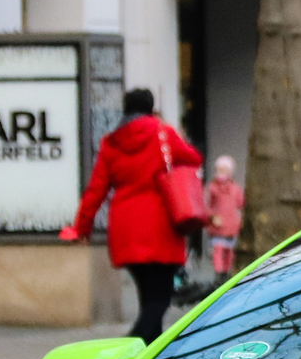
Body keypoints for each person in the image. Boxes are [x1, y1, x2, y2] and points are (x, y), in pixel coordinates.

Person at [63, 86, 203, 341]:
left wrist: (82, 227)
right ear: (151, 108)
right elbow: (193, 158)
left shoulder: (111, 142)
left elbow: (96, 189)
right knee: (159, 300)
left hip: (126, 228)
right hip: (162, 225)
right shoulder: (163, 133)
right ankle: (130, 347)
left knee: (147, 298)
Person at [204, 154, 245, 278]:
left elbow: (241, 203)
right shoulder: (212, 187)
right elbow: (206, 204)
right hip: (218, 224)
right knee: (218, 250)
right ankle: (219, 274)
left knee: (229, 251)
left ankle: (226, 273)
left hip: (232, 225)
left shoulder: (235, 188)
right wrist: (212, 216)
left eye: (225, 169)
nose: (221, 172)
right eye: (220, 169)